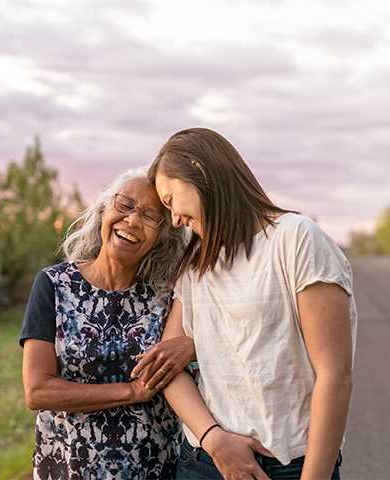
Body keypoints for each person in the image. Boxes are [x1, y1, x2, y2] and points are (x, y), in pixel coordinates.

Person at [137, 127, 357, 480]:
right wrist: (214, 440)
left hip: (290, 465)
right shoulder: (196, 265)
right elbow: (167, 367)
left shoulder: (296, 239)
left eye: (169, 200)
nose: (175, 219)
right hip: (205, 462)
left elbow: (335, 374)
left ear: (199, 169)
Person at [20, 168, 195, 479]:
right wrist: (130, 391)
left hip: (154, 468)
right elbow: (38, 390)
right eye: (125, 205)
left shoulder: (169, 294)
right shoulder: (54, 284)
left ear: (162, 237)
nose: (132, 221)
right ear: (104, 209)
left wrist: (191, 345)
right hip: (70, 467)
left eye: (150, 217)